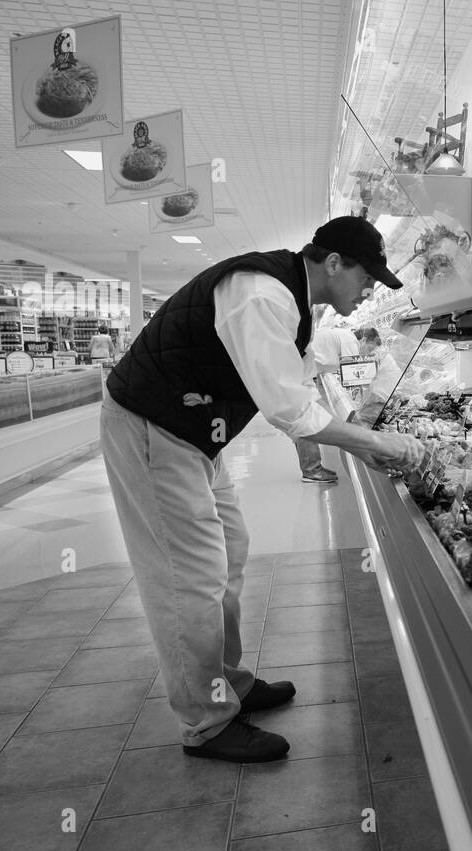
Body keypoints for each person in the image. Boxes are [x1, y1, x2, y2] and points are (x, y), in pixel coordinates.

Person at [100, 216, 423, 763]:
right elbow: (287, 408)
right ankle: (207, 721)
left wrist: (362, 443)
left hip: (192, 431)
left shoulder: (294, 300)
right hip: (153, 426)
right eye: (368, 276)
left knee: (230, 551)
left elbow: (295, 390)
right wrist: (375, 442)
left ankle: (226, 681)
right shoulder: (262, 293)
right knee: (191, 576)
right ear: (334, 263)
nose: (371, 290)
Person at [294, 323, 360, 482]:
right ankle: (311, 470)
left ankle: (311, 467)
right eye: (371, 347)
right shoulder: (349, 339)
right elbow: (351, 367)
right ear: (366, 339)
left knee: (305, 416)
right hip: (299, 371)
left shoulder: (341, 334)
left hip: (303, 369)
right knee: (305, 418)